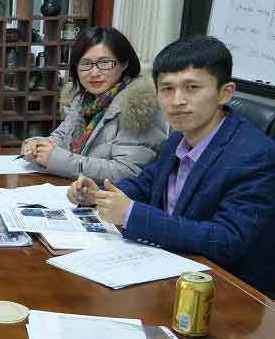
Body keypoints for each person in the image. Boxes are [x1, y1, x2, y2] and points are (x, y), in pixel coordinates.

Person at [69, 36, 275, 297]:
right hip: (167, 268)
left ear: (225, 93)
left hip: (224, 292)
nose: (177, 100)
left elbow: (227, 240)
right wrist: (98, 194)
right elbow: (148, 182)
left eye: (191, 87)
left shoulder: (255, 154)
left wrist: (131, 214)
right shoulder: (179, 137)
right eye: (167, 89)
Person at [22, 26, 167, 182]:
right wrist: (36, 145)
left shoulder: (137, 105)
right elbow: (61, 137)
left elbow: (128, 171)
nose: (94, 73)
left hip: (111, 195)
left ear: (125, 63)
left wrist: (58, 160)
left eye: (104, 63)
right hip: (75, 189)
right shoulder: (83, 99)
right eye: (85, 64)